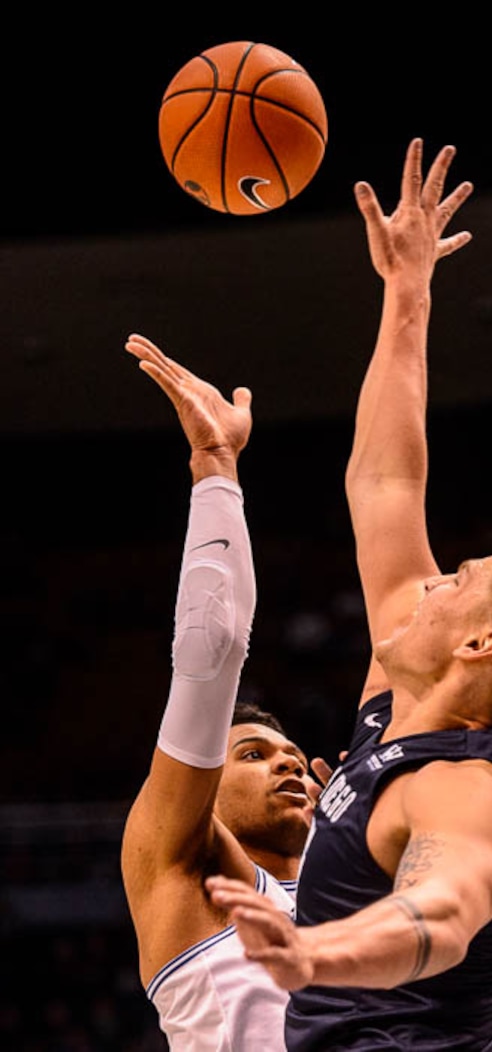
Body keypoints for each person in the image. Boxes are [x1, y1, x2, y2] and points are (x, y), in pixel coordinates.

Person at [205, 138, 492, 1050]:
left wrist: (313, 956)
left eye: (456, 583)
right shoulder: (400, 702)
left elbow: (438, 918)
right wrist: (408, 292)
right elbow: (387, 487)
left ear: (477, 646)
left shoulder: (470, 786)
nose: (430, 581)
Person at [120, 333, 327, 1051]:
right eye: (255, 753)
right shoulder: (179, 860)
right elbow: (210, 650)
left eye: (294, 755)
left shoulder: (360, 907)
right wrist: (215, 467)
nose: (290, 763)